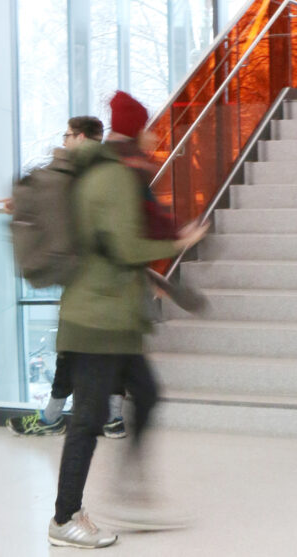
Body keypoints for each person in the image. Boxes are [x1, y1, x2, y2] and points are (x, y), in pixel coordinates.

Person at [48, 91, 208, 549]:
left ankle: (129, 491)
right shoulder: (114, 175)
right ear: (134, 130)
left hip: (110, 314)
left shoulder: (102, 169)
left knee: (148, 394)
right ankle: (64, 517)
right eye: (148, 127)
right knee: (89, 418)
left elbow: (109, 240)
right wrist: (179, 242)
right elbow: (124, 246)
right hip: (98, 319)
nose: (154, 134)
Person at [5, 116, 129, 439]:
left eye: (68, 135)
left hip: (85, 276)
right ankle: (109, 417)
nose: (64, 140)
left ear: (83, 137)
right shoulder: (106, 170)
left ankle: (55, 417)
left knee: (72, 347)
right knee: (108, 345)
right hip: (103, 276)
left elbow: (66, 212)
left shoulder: (83, 172)